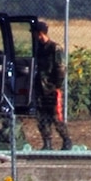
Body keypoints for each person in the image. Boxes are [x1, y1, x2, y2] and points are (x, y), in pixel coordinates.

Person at [31, 18, 72, 150]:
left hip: (52, 88)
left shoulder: (54, 48)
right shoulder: (39, 48)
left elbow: (61, 68)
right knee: (42, 116)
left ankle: (66, 140)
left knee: (55, 116)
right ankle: (47, 142)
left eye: (35, 33)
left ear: (40, 33)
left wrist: (57, 86)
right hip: (41, 88)